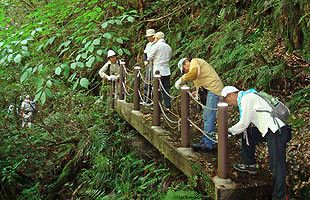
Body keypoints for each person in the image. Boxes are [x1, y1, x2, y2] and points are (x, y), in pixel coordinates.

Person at [221, 86, 291, 200]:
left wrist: (227, 132)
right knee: (248, 133)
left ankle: (279, 196)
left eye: (227, 100)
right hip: (270, 130)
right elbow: (245, 126)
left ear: (231, 95)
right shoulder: (248, 96)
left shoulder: (247, 98)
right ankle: (250, 164)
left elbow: (243, 122)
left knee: (276, 166)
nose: (229, 104)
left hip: (277, 131)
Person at [175, 58, 224, 151]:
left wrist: (182, 79)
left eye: (184, 69)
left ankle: (208, 143)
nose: (186, 71)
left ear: (185, 63)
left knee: (209, 116)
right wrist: (196, 92)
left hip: (213, 89)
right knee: (207, 116)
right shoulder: (196, 66)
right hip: (210, 90)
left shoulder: (194, 61)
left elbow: (194, 73)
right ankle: (209, 141)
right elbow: (199, 81)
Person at [146, 31, 172, 108]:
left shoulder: (156, 46)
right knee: (166, 89)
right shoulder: (168, 47)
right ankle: (168, 106)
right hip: (167, 70)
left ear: (156, 37)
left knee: (157, 89)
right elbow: (169, 57)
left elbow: (150, 56)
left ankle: (158, 106)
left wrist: (148, 60)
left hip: (158, 70)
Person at [143, 29, 156, 104]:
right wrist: (145, 60)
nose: (148, 38)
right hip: (148, 65)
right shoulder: (148, 44)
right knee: (147, 82)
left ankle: (153, 101)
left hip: (155, 65)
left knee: (154, 83)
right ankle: (146, 99)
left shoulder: (157, 44)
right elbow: (145, 53)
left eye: (149, 37)